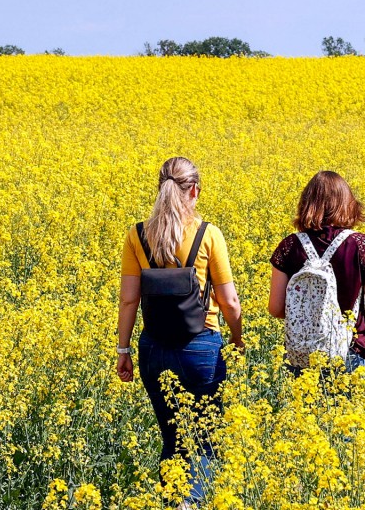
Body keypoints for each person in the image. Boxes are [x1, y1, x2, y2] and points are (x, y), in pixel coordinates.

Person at [115, 157, 243, 509]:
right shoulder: (208, 234)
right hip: (201, 346)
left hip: (153, 348)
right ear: (195, 191)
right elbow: (229, 302)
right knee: (205, 440)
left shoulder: (137, 235)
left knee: (172, 437)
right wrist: (237, 339)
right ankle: (192, 503)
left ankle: (173, 501)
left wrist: (123, 351)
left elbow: (129, 302)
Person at [268, 171, 365, 375]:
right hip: (351, 352)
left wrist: (311, 316)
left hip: (303, 354)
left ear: (306, 203)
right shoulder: (363, 246)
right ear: (348, 203)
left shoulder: (289, 246)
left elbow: (276, 308)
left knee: (304, 407)